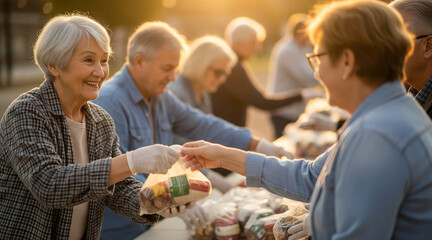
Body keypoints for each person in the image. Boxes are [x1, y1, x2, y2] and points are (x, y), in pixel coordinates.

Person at [181, 1, 432, 239]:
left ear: (347, 61)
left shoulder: (377, 134)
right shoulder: (382, 115)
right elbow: (312, 176)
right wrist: (223, 156)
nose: (317, 71)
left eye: (318, 57)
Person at [0, 14, 189, 240]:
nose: (100, 71)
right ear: (54, 65)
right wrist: (132, 161)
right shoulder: (27, 112)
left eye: (104, 60)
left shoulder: (100, 120)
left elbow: (120, 188)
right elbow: (49, 184)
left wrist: (157, 201)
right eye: (88, 60)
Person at [93, 21, 293, 239]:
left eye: (175, 69)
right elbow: (119, 174)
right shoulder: (110, 102)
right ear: (139, 61)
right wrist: (167, 198)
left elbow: (203, 123)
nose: (172, 77)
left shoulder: (160, 96)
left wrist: (257, 144)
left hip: (151, 222)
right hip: (120, 230)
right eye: (167, 69)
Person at [300, 0, 432, 133]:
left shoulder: (401, 99)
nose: (378, 52)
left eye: (398, 40)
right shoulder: (409, 95)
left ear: (428, 46)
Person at [211, 17, 321, 128]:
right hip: (226, 132)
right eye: (253, 43)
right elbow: (261, 101)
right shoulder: (233, 67)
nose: (257, 49)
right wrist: (301, 95)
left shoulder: (233, 64)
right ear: (240, 44)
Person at [168, 35, 239, 193]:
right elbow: (175, 144)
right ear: (200, 64)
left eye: (225, 74)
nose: (222, 80)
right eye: (218, 73)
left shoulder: (202, 91)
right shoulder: (177, 93)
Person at [267, 13, 321, 138]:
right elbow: (304, 77)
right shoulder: (287, 50)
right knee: (284, 144)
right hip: (283, 109)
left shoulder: (301, 47)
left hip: (294, 107)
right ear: (300, 33)